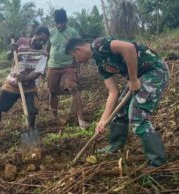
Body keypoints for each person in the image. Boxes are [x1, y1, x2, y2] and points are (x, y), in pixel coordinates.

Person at [65, 37, 169, 167]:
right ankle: (115, 145)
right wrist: (103, 120)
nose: (76, 60)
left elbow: (129, 48)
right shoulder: (100, 65)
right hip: (139, 77)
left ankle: (159, 162)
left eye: (74, 57)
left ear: (77, 50)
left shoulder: (99, 45)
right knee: (120, 111)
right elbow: (113, 92)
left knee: (137, 116)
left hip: (154, 71)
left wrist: (133, 79)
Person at [0, 26, 50, 144]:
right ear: (35, 35)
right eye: (40, 39)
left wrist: (25, 78)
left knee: (32, 111)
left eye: (44, 41)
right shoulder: (21, 42)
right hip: (12, 81)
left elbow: (38, 72)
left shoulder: (43, 53)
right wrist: (11, 49)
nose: (42, 42)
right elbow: (8, 56)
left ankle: (31, 134)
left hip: (29, 85)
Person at [47, 9, 88, 128]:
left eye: (62, 23)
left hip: (68, 66)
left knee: (73, 88)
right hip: (52, 66)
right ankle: (55, 118)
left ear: (66, 21)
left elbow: (79, 50)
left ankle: (81, 119)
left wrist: (77, 67)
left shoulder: (73, 32)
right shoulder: (51, 32)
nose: (60, 25)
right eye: (57, 23)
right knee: (52, 92)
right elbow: (48, 49)